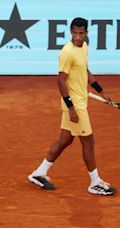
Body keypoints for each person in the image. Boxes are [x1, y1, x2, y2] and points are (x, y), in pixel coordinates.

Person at [28, 17, 116, 195]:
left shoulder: (83, 47)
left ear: (86, 33)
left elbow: (85, 71)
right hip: (75, 104)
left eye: (81, 33)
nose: (77, 37)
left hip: (81, 101)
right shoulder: (67, 52)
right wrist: (71, 107)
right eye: (75, 33)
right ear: (70, 32)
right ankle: (95, 182)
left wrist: (100, 91)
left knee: (65, 139)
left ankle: (40, 172)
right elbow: (60, 80)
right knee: (88, 141)